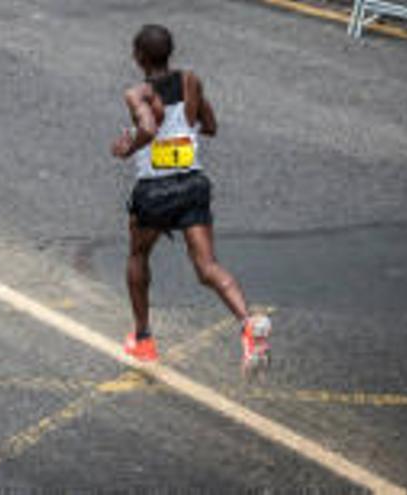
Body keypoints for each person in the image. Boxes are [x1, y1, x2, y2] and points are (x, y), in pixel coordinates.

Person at [111, 24, 270, 371]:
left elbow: (149, 129)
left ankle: (142, 339)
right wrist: (186, 128)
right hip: (193, 185)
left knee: (138, 256)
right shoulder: (192, 81)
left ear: (138, 56)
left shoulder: (137, 93)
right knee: (207, 266)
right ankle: (248, 324)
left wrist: (128, 147)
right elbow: (210, 126)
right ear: (170, 53)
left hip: (155, 191)